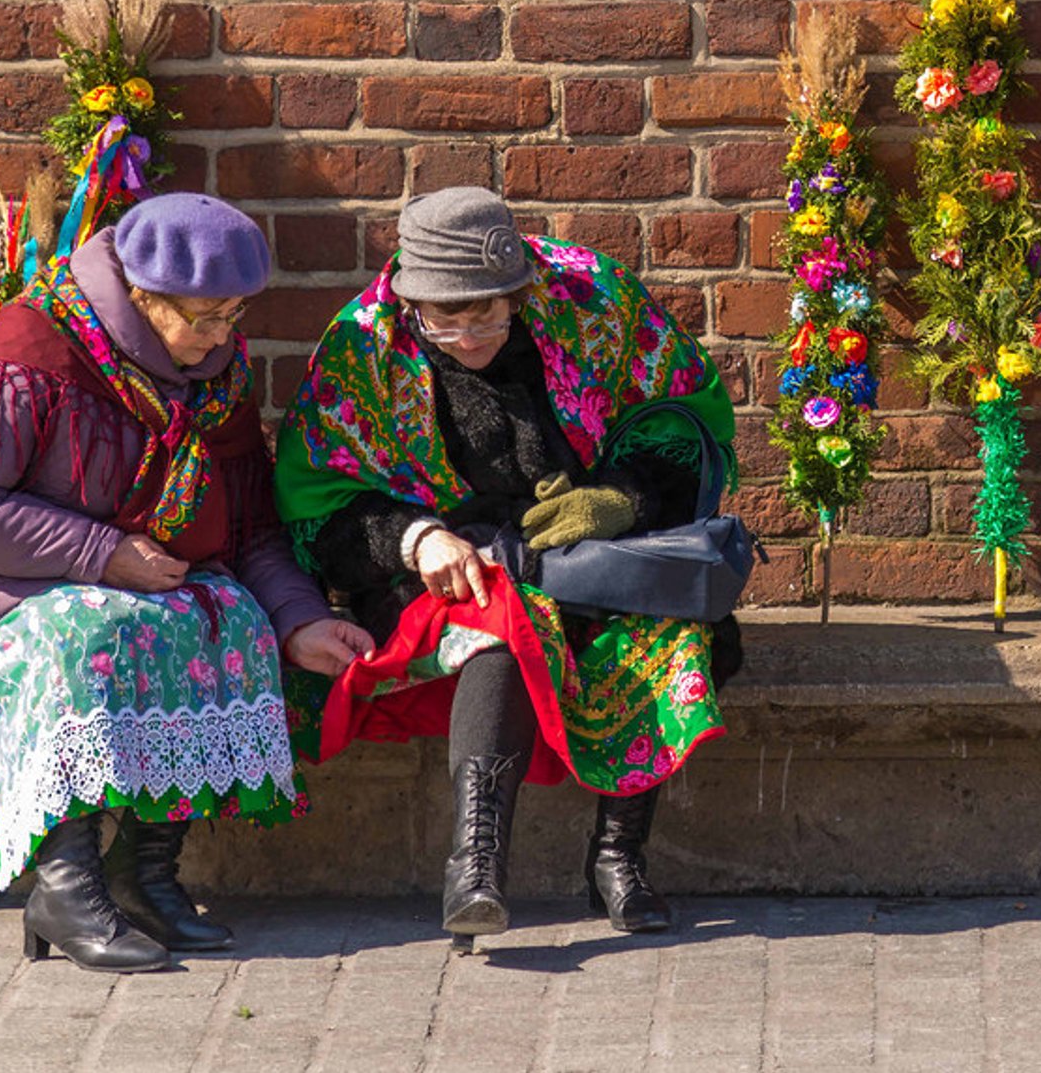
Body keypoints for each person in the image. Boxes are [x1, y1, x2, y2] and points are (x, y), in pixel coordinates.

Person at [0, 193, 373, 972]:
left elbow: (248, 526)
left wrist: (297, 619)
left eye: (234, 313)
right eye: (205, 315)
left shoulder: (218, 374)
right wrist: (103, 552)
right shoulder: (32, 345)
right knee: (87, 632)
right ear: (143, 297)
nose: (222, 334)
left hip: (116, 559)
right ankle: (64, 885)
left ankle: (143, 876)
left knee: (226, 615)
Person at [273, 186, 741, 946]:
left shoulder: (593, 302)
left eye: (488, 313)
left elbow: (688, 425)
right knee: (502, 619)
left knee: (671, 627)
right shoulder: (362, 346)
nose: (466, 336)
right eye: (443, 319)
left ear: (523, 290)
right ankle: (476, 864)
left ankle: (618, 857)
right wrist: (415, 536)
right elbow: (314, 505)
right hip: (442, 574)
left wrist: (622, 497)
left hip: (590, 560)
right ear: (408, 300)